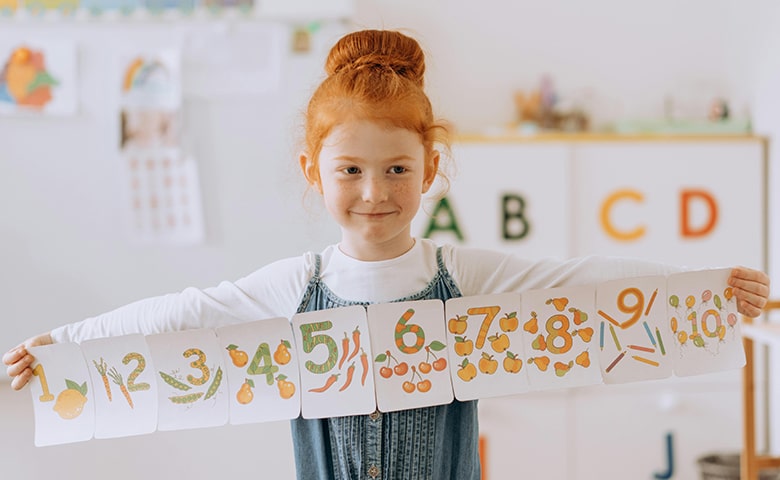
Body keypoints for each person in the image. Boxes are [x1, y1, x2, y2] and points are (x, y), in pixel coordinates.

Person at [3, 29, 771, 480]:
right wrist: (61, 347)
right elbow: (184, 314)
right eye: (351, 171)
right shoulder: (297, 286)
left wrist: (704, 291)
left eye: (397, 169)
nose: (375, 191)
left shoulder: (459, 276)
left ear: (429, 171)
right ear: (316, 173)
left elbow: (576, 281)